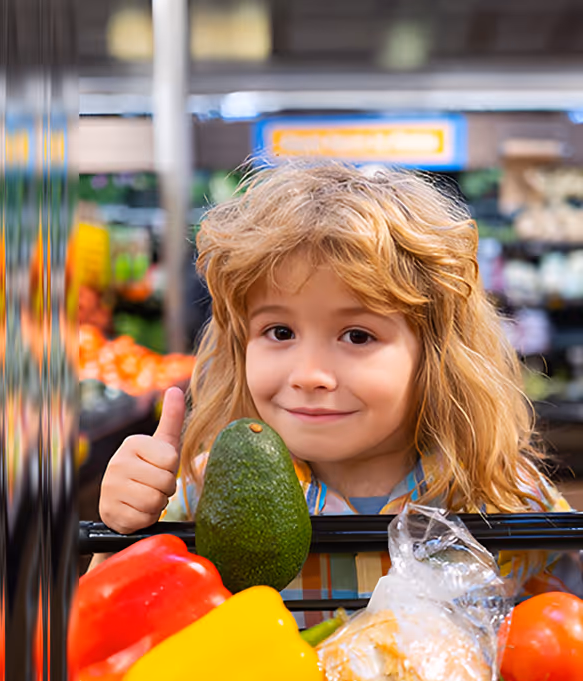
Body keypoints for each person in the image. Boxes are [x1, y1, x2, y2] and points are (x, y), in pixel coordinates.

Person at [98, 161, 580, 626]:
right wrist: (120, 531)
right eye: (280, 331)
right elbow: (111, 632)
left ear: (435, 356)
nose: (309, 375)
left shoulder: (505, 494)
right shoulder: (201, 496)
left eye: (357, 336)